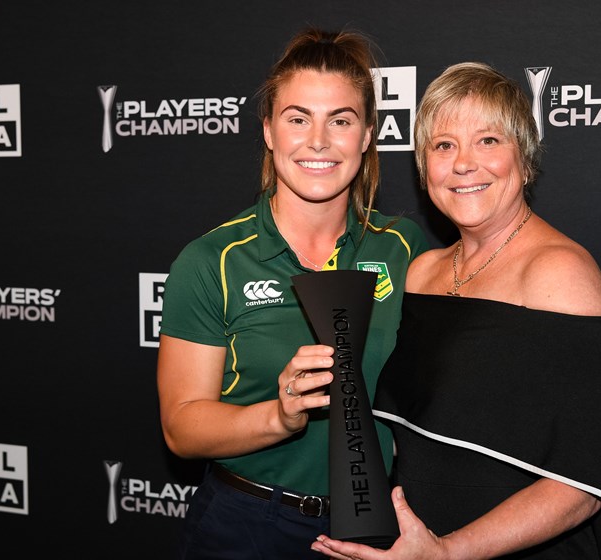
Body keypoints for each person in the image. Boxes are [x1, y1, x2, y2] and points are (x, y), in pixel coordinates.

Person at [312, 62, 601, 559]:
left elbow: (581, 485)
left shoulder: (559, 272)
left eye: (489, 141)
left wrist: (448, 552)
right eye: (443, 145)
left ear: (525, 155)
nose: (464, 163)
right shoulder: (422, 271)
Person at [156, 27, 428, 560]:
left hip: (378, 530)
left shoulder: (406, 247)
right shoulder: (212, 260)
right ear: (269, 131)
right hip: (247, 527)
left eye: (341, 121)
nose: (319, 141)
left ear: (368, 134)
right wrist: (277, 416)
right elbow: (182, 427)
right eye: (298, 119)